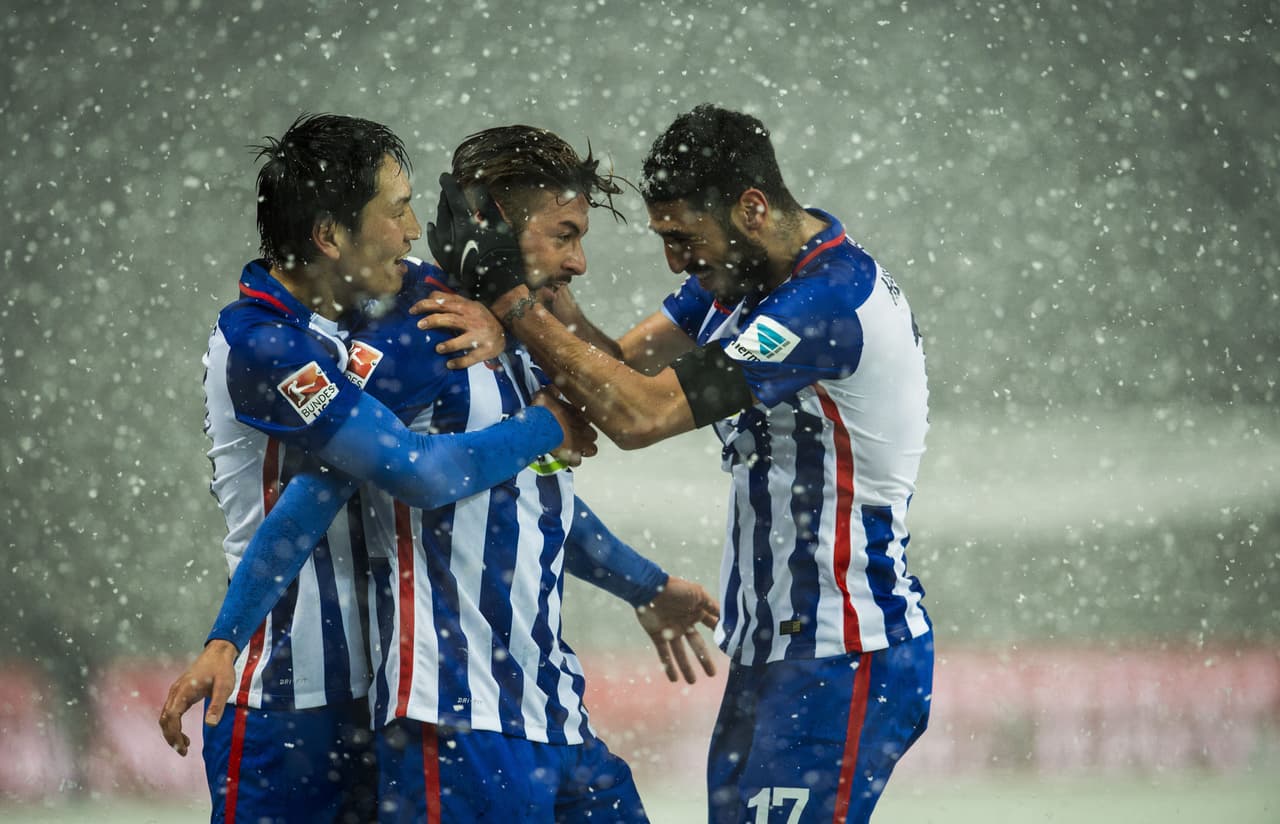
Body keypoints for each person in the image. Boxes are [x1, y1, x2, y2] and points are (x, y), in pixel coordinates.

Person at [164, 122, 720, 823]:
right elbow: (366, 482)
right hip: (322, 693)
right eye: (395, 210)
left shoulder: (474, 319)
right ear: (331, 235)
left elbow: (529, 503)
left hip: (505, 701)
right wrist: (226, 636)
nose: (413, 228)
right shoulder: (319, 339)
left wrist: (645, 583)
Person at [422, 104, 934, 823]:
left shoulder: (825, 304)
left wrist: (513, 303)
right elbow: (619, 365)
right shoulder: (747, 267)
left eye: (683, 238)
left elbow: (640, 414)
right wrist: (536, 298)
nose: (676, 262)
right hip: (777, 653)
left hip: (844, 651)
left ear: (752, 208)